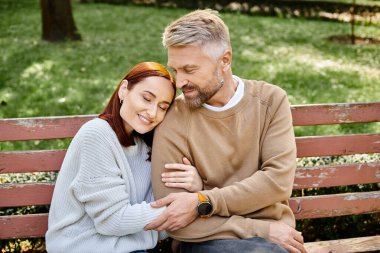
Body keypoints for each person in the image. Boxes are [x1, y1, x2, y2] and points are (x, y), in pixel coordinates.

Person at [145, 10, 307, 253]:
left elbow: (276, 182)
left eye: (190, 70)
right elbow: (175, 218)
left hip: (274, 240)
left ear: (225, 61)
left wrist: (203, 200)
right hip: (207, 242)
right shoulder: (174, 117)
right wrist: (260, 229)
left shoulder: (270, 101)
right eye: (175, 70)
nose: (179, 83)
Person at [45, 62, 204, 253]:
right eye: (146, 98)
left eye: (162, 107)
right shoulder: (96, 134)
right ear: (123, 90)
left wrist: (195, 188)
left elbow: (157, 229)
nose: (153, 113)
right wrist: (186, 205)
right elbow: (112, 221)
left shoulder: (147, 146)